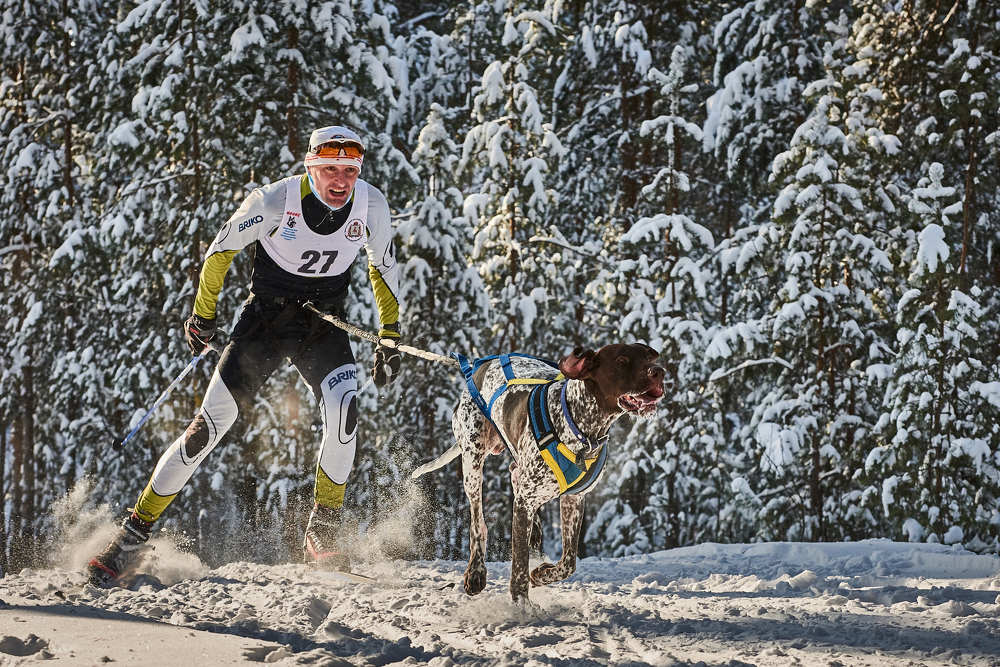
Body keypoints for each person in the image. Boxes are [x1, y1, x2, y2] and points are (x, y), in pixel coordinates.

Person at [88, 125, 402, 585]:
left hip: (321, 326)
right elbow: (220, 253)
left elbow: (383, 266)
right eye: (330, 169)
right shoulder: (273, 201)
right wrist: (202, 317)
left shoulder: (371, 204)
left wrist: (389, 335)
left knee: (345, 412)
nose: (341, 181)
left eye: (350, 171)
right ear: (310, 167)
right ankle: (132, 534)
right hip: (264, 324)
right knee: (205, 429)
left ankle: (323, 527)